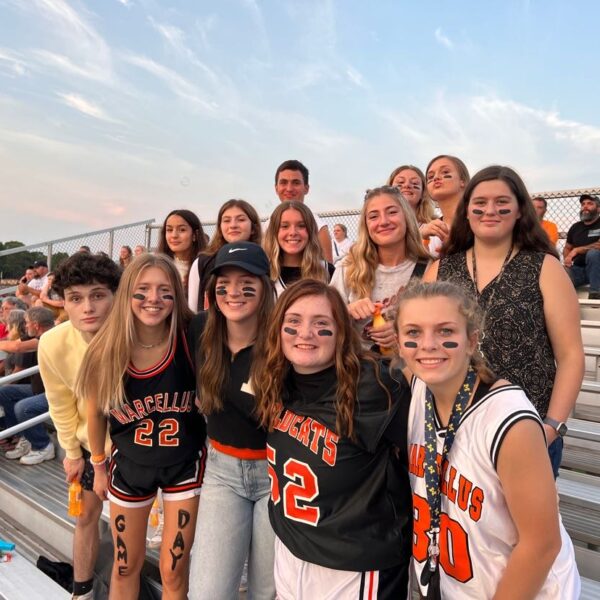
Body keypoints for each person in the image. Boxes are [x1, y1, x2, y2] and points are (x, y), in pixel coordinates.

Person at [396, 280, 580, 599]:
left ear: (471, 341)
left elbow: (541, 546)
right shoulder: (418, 389)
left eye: (445, 332)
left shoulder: (508, 421)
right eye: (413, 332)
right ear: (398, 343)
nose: (427, 344)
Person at [253, 279, 412, 599]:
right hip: (290, 553)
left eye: (321, 324)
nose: (305, 333)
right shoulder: (276, 378)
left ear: (341, 332)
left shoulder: (374, 385)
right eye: (293, 322)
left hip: (354, 566)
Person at [424, 165, 584, 477]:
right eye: (479, 203)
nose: (490, 210)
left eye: (502, 202)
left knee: (524, 526)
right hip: (452, 430)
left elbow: (571, 356)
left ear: (520, 210)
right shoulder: (440, 270)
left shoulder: (545, 268)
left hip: (524, 433)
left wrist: (551, 427)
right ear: (467, 211)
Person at [76, 254, 206, 600]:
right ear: (127, 294)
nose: (154, 299)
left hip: (184, 463)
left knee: (174, 569)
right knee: (124, 566)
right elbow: (94, 414)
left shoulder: (192, 337)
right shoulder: (106, 347)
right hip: (130, 465)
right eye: (143, 289)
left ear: (177, 295)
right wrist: (99, 467)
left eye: (165, 290)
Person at [188, 242, 276, 600]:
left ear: (265, 286)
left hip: (278, 474)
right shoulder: (200, 328)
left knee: (267, 592)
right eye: (223, 282)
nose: (233, 291)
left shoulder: (285, 337)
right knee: (207, 592)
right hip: (222, 471)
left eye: (246, 281)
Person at [38, 252, 122, 600]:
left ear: (116, 297)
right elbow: (60, 403)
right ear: (64, 304)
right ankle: (82, 590)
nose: (88, 307)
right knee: (86, 515)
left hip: (138, 446)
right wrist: (72, 452)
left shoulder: (136, 335)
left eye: (98, 295)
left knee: (125, 529)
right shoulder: (53, 343)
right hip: (91, 445)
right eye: (76, 298)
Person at [330, 185, 430, 353]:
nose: (383, 222)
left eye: (392, 212)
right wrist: (346, 311)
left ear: (406, 217)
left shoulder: (430, 268)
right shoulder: (348, 267)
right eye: (374, 216)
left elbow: (444, 323)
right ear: (366, 225)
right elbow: (323, 319)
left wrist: (407, 332)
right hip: (359, 369)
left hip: (412, 370)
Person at [1, 307, 56, 465]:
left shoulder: (49, 336)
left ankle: (43, 446)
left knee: (23, 407)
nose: (24, 326)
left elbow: (17, 348)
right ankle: (23, 436)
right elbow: (14, 343)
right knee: (5, 392)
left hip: (57, 393)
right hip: (39, 389)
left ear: (36, 325)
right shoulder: (35, 334)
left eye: (26, 323)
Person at [188, 199, 262, 312]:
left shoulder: (264, 260)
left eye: (241, 220)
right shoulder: (203, 262)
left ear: (253, 228)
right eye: (227, 220)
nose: (233, 225)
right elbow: (192, 309)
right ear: (220, 227)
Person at [263, 201, 334, 296]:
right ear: (274, 232)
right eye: (285, 226)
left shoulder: (327, 271)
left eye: (301, 226)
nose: (293, 232)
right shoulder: (263, 273)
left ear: (310, 231)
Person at [273, 160, 333, 262]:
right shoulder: (267, 226)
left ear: (306, 188)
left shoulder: (318, 227)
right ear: (276, 188)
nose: (289, 188)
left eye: (296, 183)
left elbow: (327, 273)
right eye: (283, 182)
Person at [425, 155, 470, 256]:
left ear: (462, 181)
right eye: (430, 177)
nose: (436, 178)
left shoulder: (479, 220)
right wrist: (422, 242)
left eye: (445, 172)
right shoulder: (428, 232)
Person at [157, 209, 206, 294]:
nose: (174, 235)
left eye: (182, 230)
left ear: (195, 235)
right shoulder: (157, 265)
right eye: (169, 230)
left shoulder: (206, 267)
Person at [387, 164, 439, 242]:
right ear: (388, 190)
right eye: (400, 182)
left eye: (415, 183)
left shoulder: (436, 227)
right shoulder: (380, 226)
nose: (407, 185)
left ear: (423, 193)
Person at [564, 193, 600, 299]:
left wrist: (577, 250)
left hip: (597, 270)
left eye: (590, 204)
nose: (585, 206)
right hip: (578, 270)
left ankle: (595, 293)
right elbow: (567, 247)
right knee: (560, 272)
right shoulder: (575, 227)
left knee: (593, 254)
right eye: (583, 204)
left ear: (598, 209)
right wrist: (567, 259)